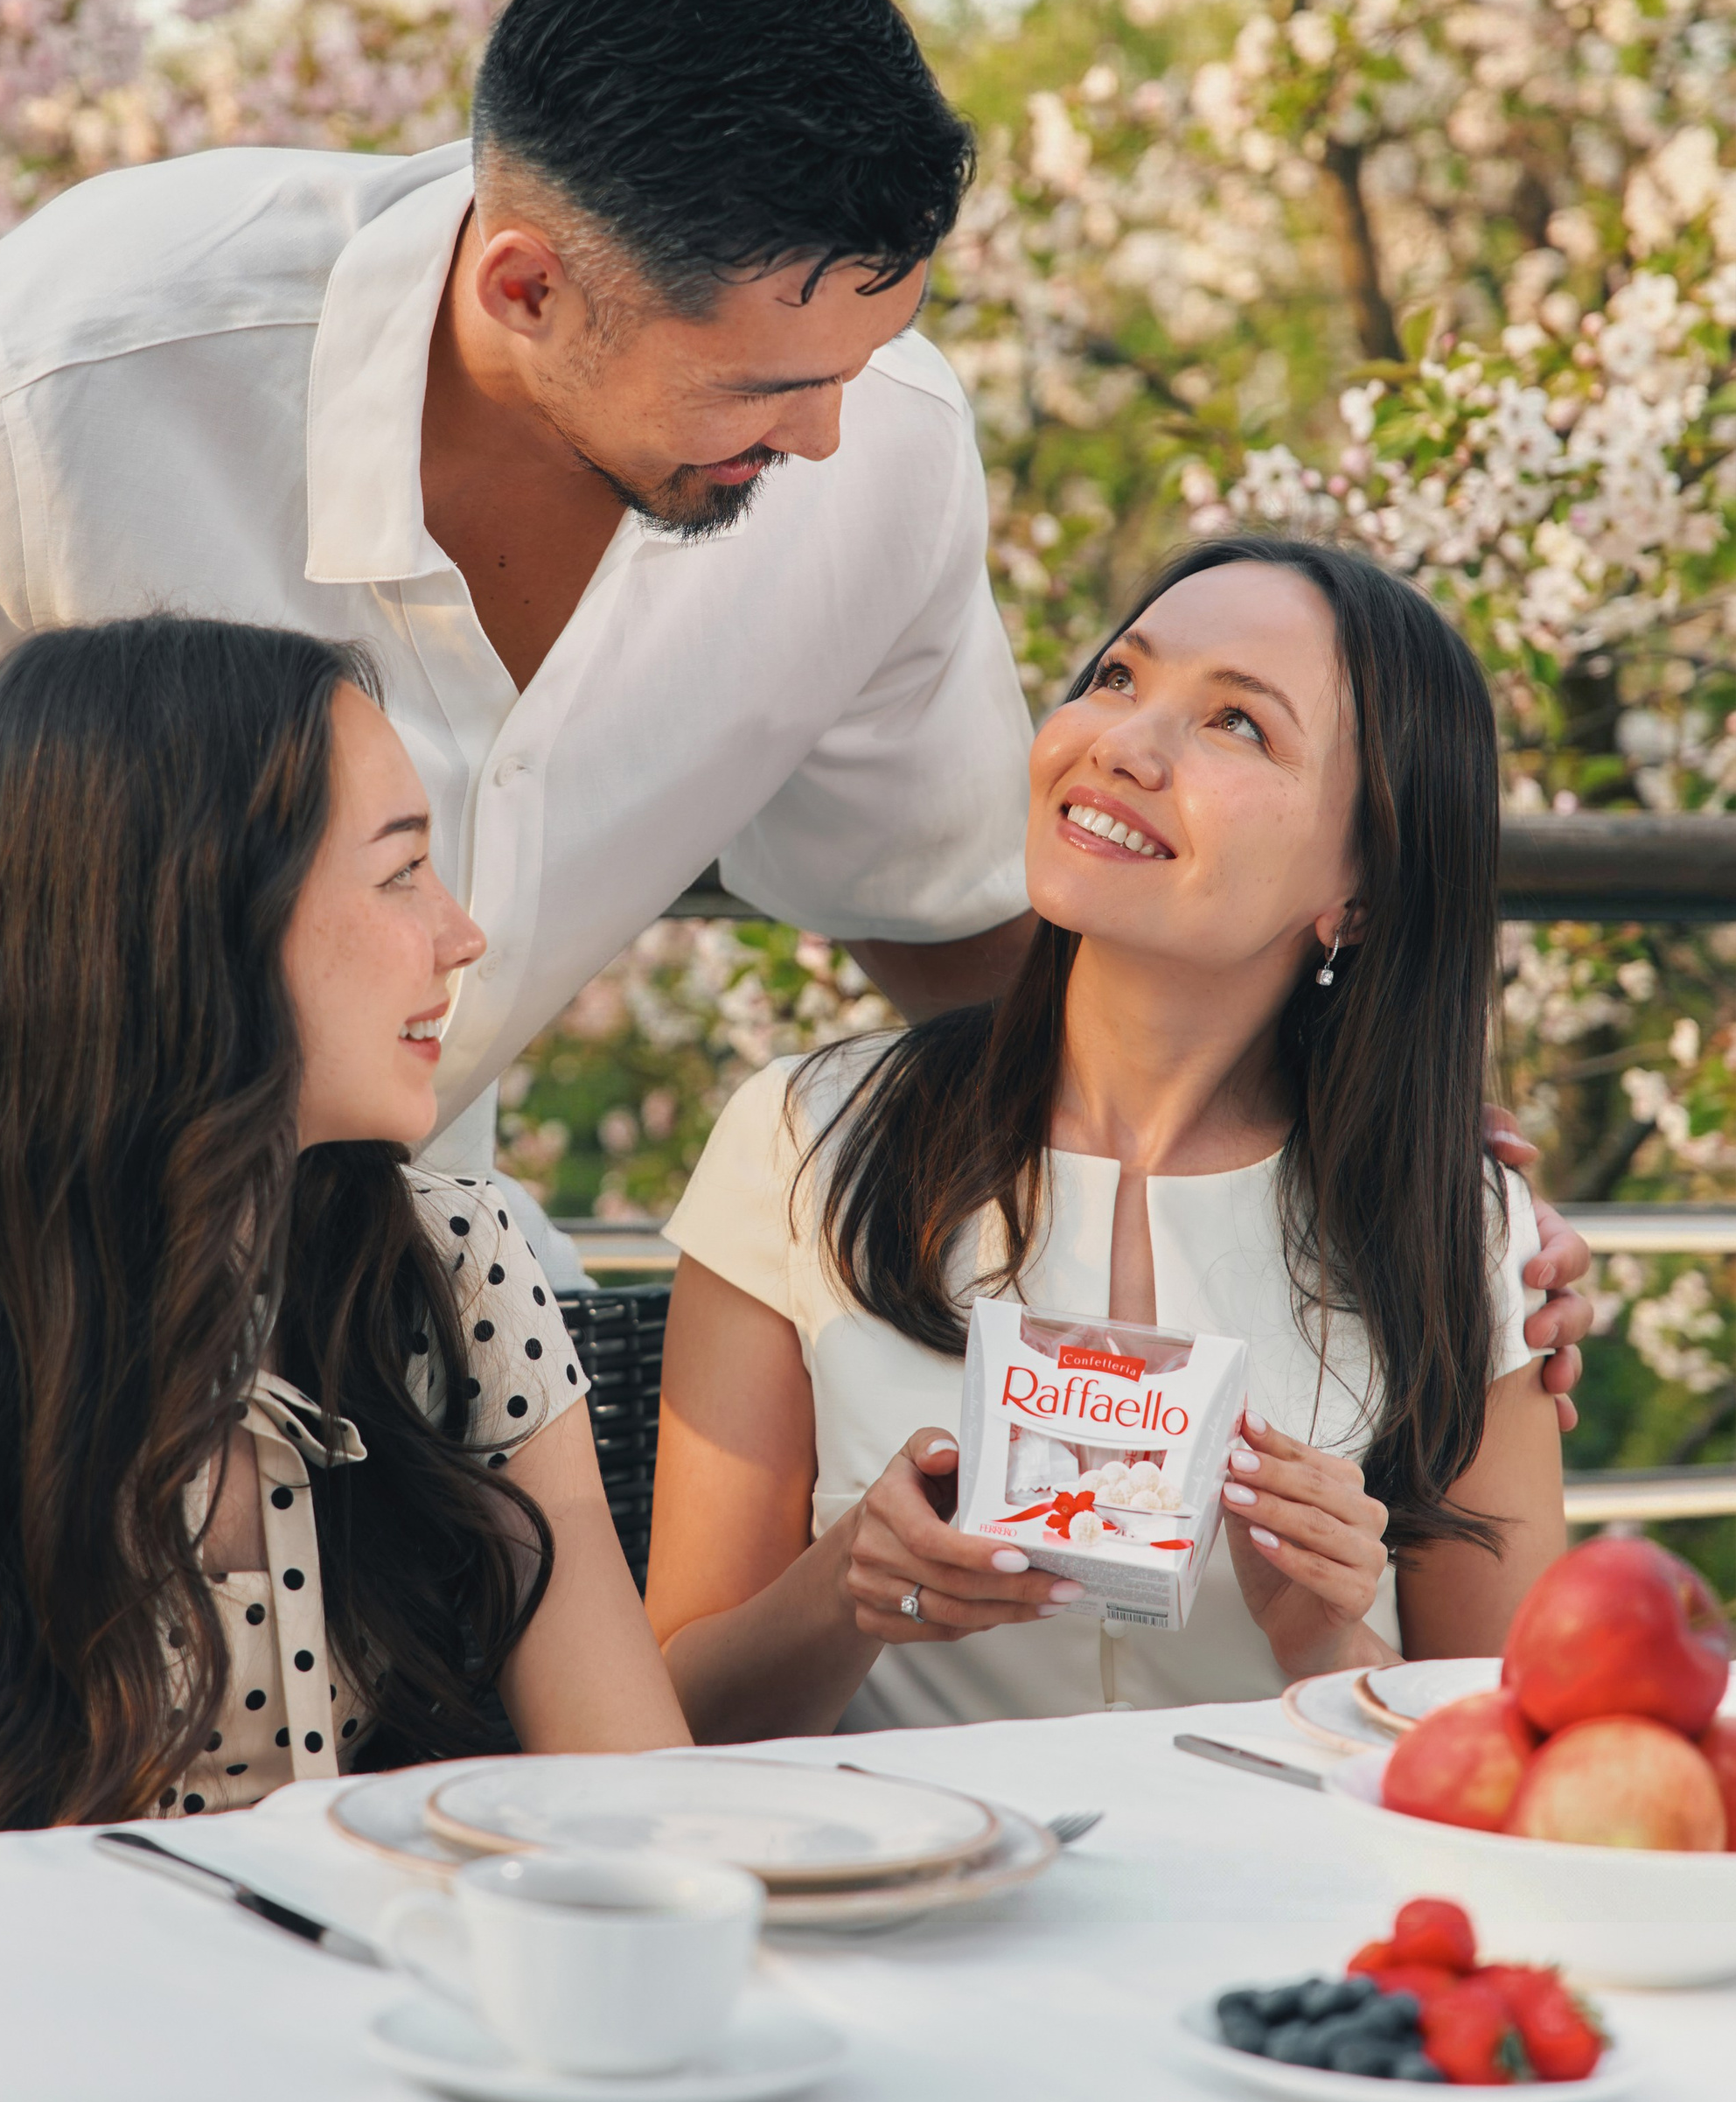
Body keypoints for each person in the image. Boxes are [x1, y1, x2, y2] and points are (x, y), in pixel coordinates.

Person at [0, 0, 1041, 1282]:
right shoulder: (51, 396)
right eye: (762, 387)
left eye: (865, 360)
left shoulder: (884, 459)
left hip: (382, 1257)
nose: (826, 437)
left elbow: (959, 919)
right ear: (525, 291)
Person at [0, 618, 688, 1845]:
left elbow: (643, 1821)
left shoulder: (454, 1272)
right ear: (195, 922)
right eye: (400, 873)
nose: (463, 934)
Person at [646, 539, 1570, 1739]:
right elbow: (667, 1722)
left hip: (1279, 1912)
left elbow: (1518, 1756)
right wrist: (852, 1588)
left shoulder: (1455, 1227)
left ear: (1360, 890)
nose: (1122, 744)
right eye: (1121, 678)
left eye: (1237, 725)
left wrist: (1321, 1641)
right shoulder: (806, 1138)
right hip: (891, 1904)